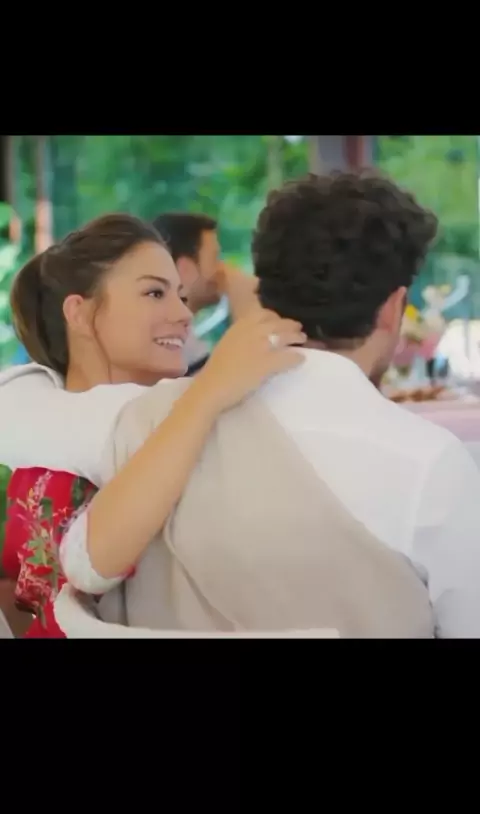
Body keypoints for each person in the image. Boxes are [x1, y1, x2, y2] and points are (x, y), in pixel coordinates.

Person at [69, 172, 480, 638]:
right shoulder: (429, 465)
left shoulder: (144, 422)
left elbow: (80, 569)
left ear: (265, 287)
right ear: (393, 308)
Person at [0, 213, 305, 636]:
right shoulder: (63, 458)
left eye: (180, 295)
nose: (183, 313)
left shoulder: (38, 434)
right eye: (154, 293)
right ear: (80, 314)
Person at [152, 212, 258, 373]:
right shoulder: (174, 347)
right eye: (215, 258)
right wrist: (245, 308)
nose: (222, 269)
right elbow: (237, 379)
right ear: (185, 269)